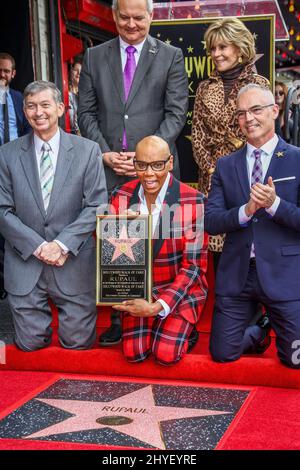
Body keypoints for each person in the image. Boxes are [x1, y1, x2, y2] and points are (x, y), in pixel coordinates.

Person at [78, 0, 188, 345]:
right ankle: (119, 317)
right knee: (119, 244)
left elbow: (176, 113)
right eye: (123, 16)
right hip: (111, 167)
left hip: (154, 168)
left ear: (151, 16)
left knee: (159, 243)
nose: (131, 24)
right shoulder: (95, 57)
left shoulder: (171, 57)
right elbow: (86, 114)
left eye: (138, 17)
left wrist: (147, 157)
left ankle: (164, 311)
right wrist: (105, 154)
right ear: (113, 16)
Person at [0, 80, 107, 351]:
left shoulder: (87, 150)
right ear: (24, 112)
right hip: (26, 263)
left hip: (72, 262)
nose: (39, 112)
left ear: (60, 108)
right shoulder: (6, 154)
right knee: (29, 345)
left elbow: (96, 204)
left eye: (45, 105)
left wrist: (60, 245)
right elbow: (2, 210)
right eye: (31, 106)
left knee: (78, 344)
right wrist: (39, 247)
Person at [205, 84, 300, 369]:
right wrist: (246, 211)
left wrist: (274, 205)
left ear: (274, 110)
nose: (249, 119)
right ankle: (260, 331)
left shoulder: (297, 158)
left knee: (295, 361)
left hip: (285, 276)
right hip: (238, 275)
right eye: (242, 113)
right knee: (222, 354)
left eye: (256, 110)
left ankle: (273, 320)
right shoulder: (225, 165)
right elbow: (211, 222)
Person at [108, 135, 208, 365]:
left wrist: (157, 306)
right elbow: (109, 255)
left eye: (157, 165)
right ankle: (157, 325)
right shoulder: (120, 196)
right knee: (135, 354)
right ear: (135, 165)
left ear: (170, 163)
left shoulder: (194, 201)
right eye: (141, 165)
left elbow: (193, 267)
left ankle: (181, 326)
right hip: (138, 289)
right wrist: (116, 229)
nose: (149, 173)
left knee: (165, 355)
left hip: (179, 291)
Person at [192, 17, 269, 263]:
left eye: (222, 47)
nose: (216, 54)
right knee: (217, 255)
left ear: (239, 47)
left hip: (250, 175)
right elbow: (198, 136)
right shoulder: (204, 87)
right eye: (212, 48)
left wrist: (235, 169)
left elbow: (265, 135)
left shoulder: (258, 84)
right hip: (212, 180)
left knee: (250, 249)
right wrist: (214, 171)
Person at [0, 52, 31, 299]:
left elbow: (26, 130)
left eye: (6, 70)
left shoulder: (19, 98)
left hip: (14, 164)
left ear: (13, 74)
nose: (2, 74)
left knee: (16, 215)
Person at [68, 60, 82, 135]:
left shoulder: (85, 93)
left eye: (81, 71)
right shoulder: (66, 92)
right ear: (71, 71)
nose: (78, 73)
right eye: (76, 70)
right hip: (71, 133)